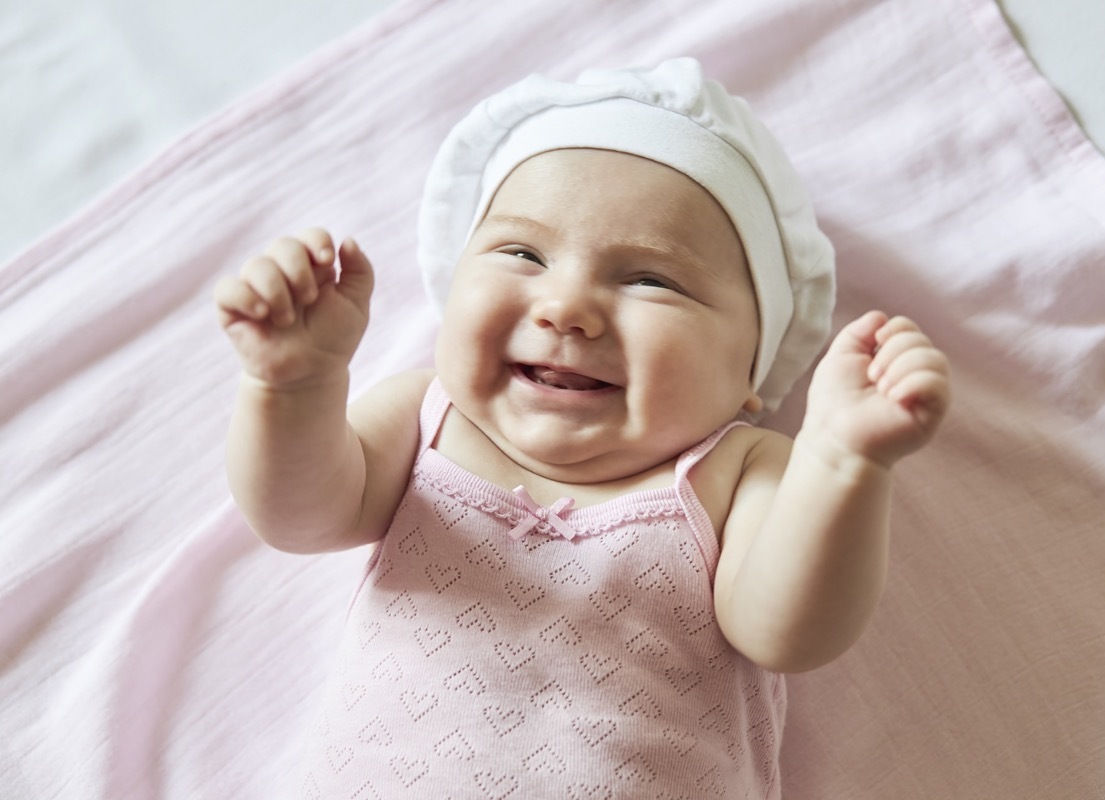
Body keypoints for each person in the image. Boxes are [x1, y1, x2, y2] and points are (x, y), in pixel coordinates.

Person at [215, 59, 949, 798]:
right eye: (523, 254)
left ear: (750, 369)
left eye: (650, 280)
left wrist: (840, 463)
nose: (566, 308)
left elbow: (785, 632)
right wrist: (295, 388)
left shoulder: (739, 470)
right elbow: (301, 517)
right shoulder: (426, 417)